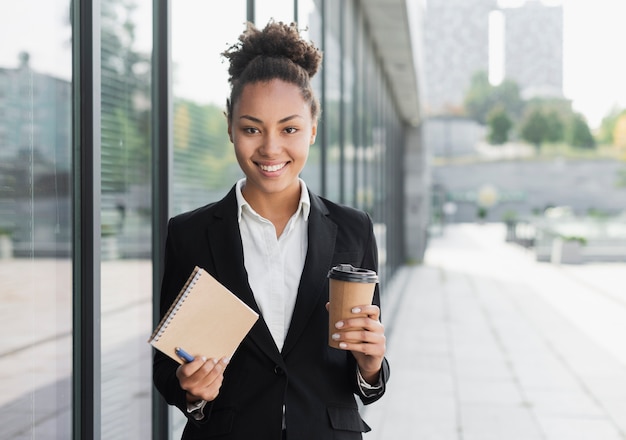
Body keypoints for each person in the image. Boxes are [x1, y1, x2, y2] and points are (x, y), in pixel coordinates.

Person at [153, 21, 390, 440]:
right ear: (230, 127)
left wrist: (371, 366)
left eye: (289, 129)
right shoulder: (189, 234)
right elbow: (167, 368)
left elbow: (364, 371)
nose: (270, 148)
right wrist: (191, 392)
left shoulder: (354, 229)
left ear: (313, 127)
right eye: (251, 129)